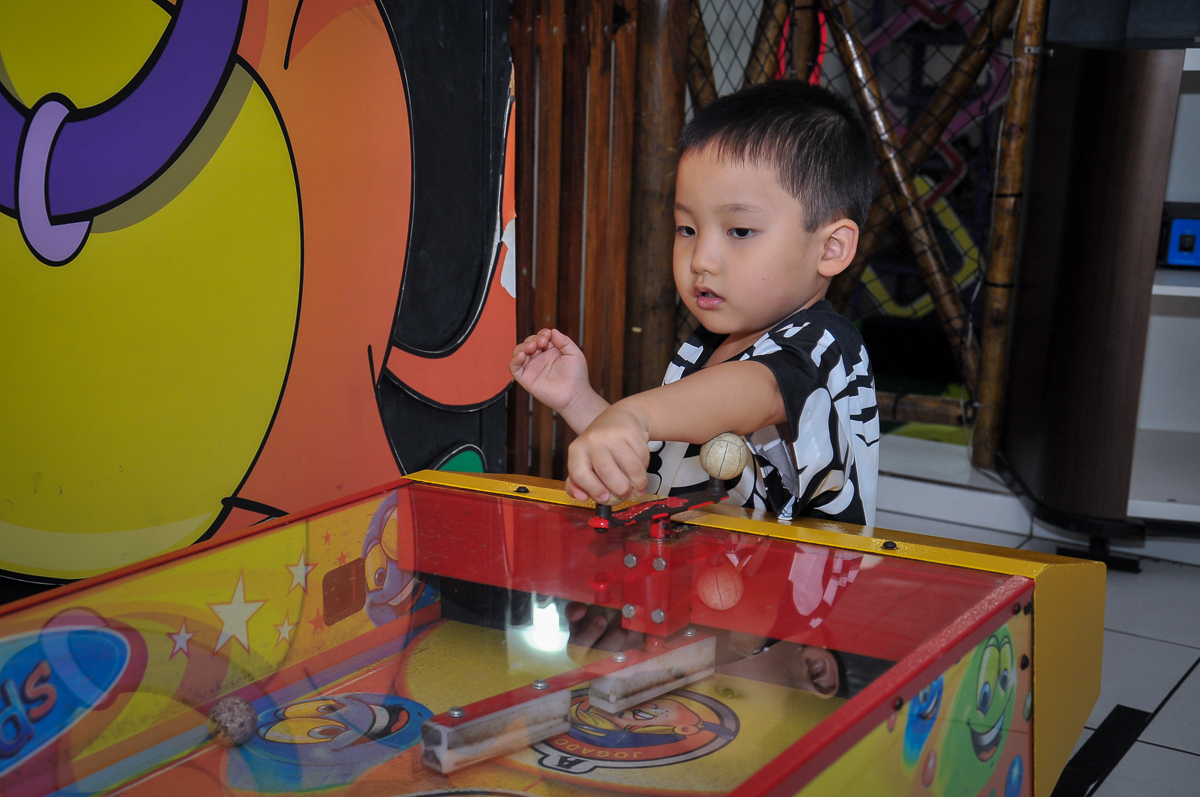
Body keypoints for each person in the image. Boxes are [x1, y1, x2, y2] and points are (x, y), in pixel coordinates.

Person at [510, 79, 879, 529]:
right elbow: (655, 476)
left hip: (789, 594)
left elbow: (756, 393)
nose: (700, 260)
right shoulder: (702, 349)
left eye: (739, 232)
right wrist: (580, 402)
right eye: (686, 229)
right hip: (690, 586)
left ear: (831, 248)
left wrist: (635, 413)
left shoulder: (825, 346)